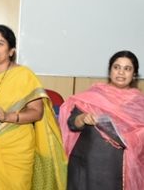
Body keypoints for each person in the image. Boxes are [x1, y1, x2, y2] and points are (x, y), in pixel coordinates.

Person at [0, 24, 67, 190]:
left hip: (15, 152)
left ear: (11, 51)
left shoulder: (24, 75)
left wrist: (7, 116)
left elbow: (37, 113)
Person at [59, 50, 144, 190]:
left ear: (134, 74)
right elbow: (71, 123)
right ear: (110, 70)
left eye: (127, 69)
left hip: (118, 169)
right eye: (116, 67)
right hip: (85, 164)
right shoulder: (94, 95)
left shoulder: (139, 103)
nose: (121, 72)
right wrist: (82, 118)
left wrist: (130, 138)